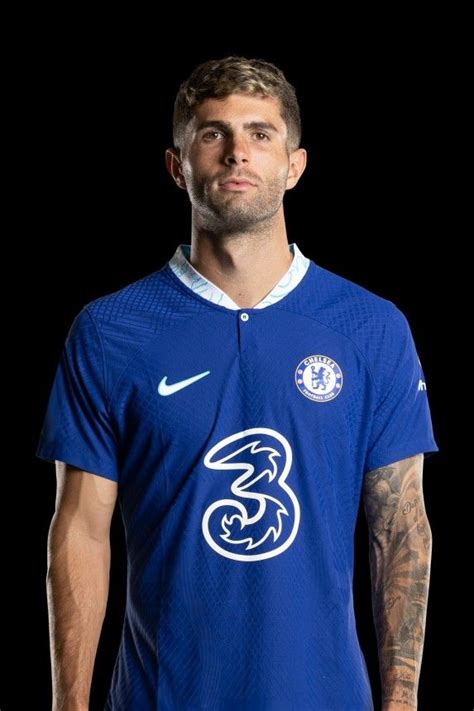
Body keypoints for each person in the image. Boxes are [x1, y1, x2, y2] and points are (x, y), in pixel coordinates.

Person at [36, 55, 439, 711]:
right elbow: (80, 528)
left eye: (260, 133)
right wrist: (68, 706)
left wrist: (401, 706)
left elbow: (400, 530)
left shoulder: (370, 327)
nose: (236, 153)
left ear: (295, 165)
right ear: (177, 166)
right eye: (212, 133)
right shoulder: (112, 330)